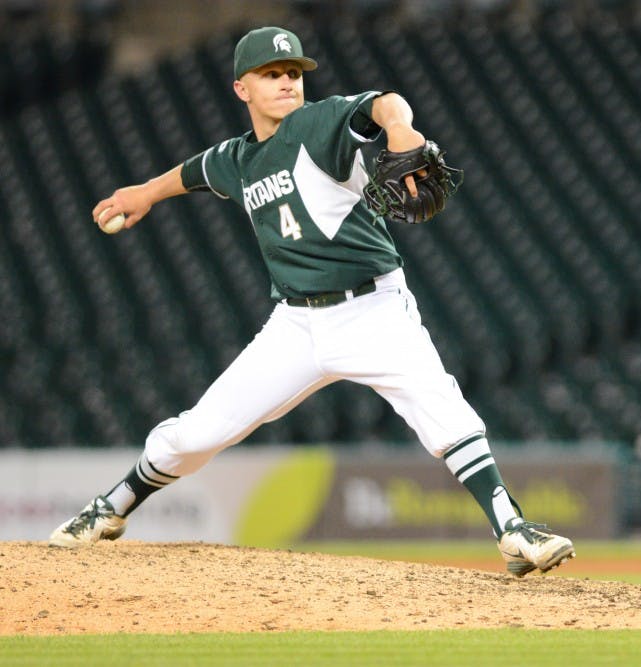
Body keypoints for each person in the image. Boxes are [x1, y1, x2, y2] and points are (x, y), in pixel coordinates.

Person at [48, 27, 575, 577]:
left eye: (294, 74)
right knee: (198, 432)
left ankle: (512, 529)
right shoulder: (238, 159)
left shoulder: (318, 123)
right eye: (272, 75)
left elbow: (384, 102)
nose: (286, 84)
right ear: (241, 89)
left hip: (373, 309)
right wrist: (143, 194)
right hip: (295, 325)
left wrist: (400, 128)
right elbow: (196, 171)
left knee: (441, 410)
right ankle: (111, 508)